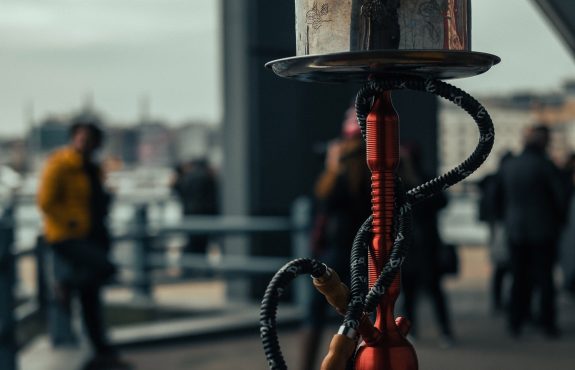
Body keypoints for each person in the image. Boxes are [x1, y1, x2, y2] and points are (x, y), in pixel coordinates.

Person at [37, 119, 130, 369]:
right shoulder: (60, 164)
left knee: (91, 299)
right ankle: (65, 285)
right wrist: (71, 223)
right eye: (80, 136)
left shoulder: (92, 167)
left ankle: (101, 353)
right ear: (73, 137)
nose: (85, 142)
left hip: (93, 235)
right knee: (106, 268)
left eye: (89, 138)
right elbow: (46, 201)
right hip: (67, 236)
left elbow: (96, 199)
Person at [300, 107, 371, 370]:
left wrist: (332, 165)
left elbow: (323, 201)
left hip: (334, 253)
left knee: (314, 317)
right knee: (357, 320)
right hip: (363, 257)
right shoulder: (374, 170)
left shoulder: (340, 172)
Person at [497, 124, 567, 338]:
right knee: (545, 279)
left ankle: (516, 321)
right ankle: (547, 323)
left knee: (518, 277)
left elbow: (497, 199)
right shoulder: (545, 166)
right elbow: (560, 198)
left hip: (515, 229)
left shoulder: (510, 166)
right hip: (542, 230)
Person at [398, 143, 455, 348]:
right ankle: (413, 331)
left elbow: (441, 202)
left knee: (430, 289)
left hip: (423, 242)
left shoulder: (420, 178)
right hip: (413, 242)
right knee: (414, 290)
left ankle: (443, 331)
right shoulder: (402, 180)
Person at [477, 152, 513, 312]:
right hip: (504, 225)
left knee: (500, 266)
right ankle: (501, 301)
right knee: (505, 265)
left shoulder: (492, 179)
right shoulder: (501, 180)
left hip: (497, 225)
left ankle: (498, 301)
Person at [171, 158, 218, 263]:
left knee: (193, 243)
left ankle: (192, 268)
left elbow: (178, 190)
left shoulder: (187, 177)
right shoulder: (208, 176)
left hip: (190, 215)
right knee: (203, 244)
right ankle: (202, 268)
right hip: (206, 216)